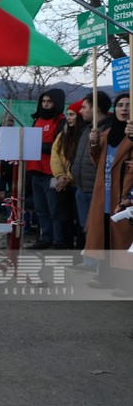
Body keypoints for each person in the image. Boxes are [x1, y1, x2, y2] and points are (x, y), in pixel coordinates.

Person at [83, 94, 133, 297]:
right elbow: (97, 161)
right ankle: (105, 276)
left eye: (129, 105)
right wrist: (93, 144)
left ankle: (126, 282)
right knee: (104, 236)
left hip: (124, 195)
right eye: (120, 105)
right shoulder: (107, 134)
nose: (124, 109)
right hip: (104, 194)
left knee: (123, 238)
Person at [69, 91, 112, 271]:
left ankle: (98, 265)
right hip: (81, 186)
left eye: (85, 107)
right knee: (85, 227)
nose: (81, 111)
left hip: (95, 187)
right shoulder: (87, 129)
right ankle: (90, 261)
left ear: (96, 108)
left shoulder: (108, 130)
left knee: (95, 227)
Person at [26, 89, 65, 250]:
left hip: (52, 173)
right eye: (43, 101)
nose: (46, 104)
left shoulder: (61, 121)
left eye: (49, 102)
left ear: (56, 103)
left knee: (55, 209)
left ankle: (58, 240)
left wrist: (38, 145)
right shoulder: (37, 120)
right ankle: (45, 238)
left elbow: (60, 147)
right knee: (41, 209)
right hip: (35, 171)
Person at [50, 100, 85, 249]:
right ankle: (67, 248)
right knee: (64, 218)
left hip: (78, 185)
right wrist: (60, 176)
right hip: (63, 183)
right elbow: (55, 154)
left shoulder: (84, 134)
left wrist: (68, 178)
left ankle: (80, 251)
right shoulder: (63, 134)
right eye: (67, 115)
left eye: (71, 115)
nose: (68, 118)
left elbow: (81, 160)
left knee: (80, 220)